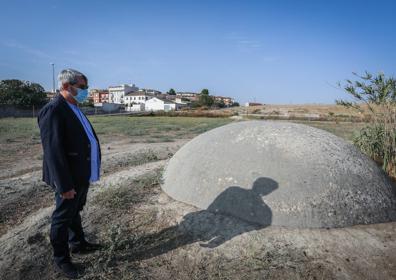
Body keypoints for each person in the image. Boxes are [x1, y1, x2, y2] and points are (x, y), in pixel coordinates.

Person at [37, 69, 102, 279]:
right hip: (68, 177)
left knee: (75, 211)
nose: (85, 91)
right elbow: (53, 152)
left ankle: (78, 244)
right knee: (62, 217)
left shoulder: (75, 107)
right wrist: (64, 185)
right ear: (66, 86)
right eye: (82, 87)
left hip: (81, 173)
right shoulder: (54, 110)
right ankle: (61, 260)